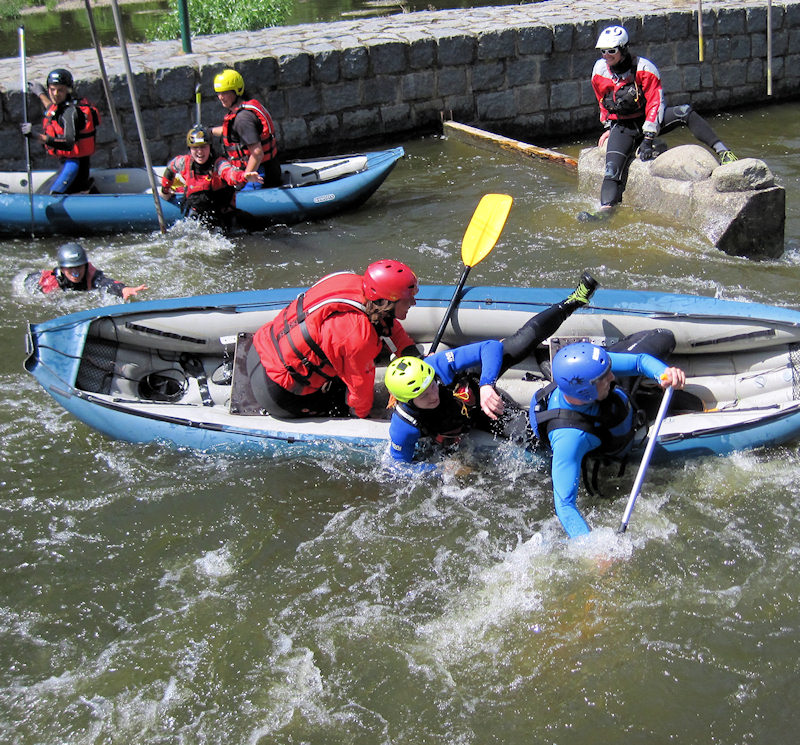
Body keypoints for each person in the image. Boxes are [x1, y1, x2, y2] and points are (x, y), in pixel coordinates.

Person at [384, 273, 599, 468]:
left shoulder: (435, 367)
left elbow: (491, 347)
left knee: (518, 344)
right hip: (472, 420)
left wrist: (488, 384)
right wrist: (438, 469)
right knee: (534, 439)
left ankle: (574, 300)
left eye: (431, 386)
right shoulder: (404, 425)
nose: (432, 394)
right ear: (409, 400)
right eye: (423, 395)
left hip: (477, 390)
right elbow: (399, 467)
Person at [530, 332, 686, 538]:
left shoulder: (592, 378)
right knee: (688, 403)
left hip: (614, 401)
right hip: (610, 429)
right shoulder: (569, 439)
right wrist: (590, 546)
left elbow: (639, 361)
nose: (611, 375)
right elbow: (565, 506)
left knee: (664, 338)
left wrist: (664, 374)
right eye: (605, 376)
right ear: (586, 392)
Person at [579, 25, 738, 222]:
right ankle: (605, 212)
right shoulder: (600, 69)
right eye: (603, 51)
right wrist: (608, 127)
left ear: (623, 49)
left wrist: (648, 138)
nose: (606, 55)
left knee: (685, 112)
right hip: (623, 126)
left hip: (648, 119)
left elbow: (656, 103)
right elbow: (603, 100)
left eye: (611, 51)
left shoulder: (645, 69)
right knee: (612, 171)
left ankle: (723, 151)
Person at [247, 260, 421, 419]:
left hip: (262, 346)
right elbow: (360, 396)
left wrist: (409, 352)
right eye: (408, 299)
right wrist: (363, 417)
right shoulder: (357, 336)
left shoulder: (356, 284)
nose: (413, 302)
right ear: (387, 302)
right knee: (343, 405)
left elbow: (387, 321)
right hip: (279, 392)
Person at [161, 125, 263, 230]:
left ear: (210, 147)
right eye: (195, 148)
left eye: (203, 147)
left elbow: (230, 173)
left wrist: (243, 176)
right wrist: (165, 191)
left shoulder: (218, 164)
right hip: (197, 213)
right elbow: (169, 169)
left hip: (221, 213)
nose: (200, 152)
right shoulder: (183, 162)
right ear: (190, 149)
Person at [20, 68, 101, 195]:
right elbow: (52, 111)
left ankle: (84, 193)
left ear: (68, 90)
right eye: (52, 89)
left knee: (44, 197)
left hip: (73, 168)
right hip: (69, 165)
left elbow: (68, 144)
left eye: (60, 90)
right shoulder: (62, 105)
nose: (55, 94)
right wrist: (40, 93)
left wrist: (35, 135)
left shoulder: (71, 113)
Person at [210, 69, 280, 190]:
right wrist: (209, 131)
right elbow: (231, 131)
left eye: (225, 92)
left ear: (237, 91)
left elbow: (257, 154)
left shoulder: (243, 119)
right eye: (218, 93)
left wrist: (242, 180)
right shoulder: (243, 109)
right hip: (268, 167)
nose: (220, 97)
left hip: (258, 175)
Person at [25, 242, 147, 300]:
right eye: (70, 268)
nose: (75, 272)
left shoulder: (92, 276)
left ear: (85, 266)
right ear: (62, 269)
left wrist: (123, 289)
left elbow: (107, 284)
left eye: (78, 267)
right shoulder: (51, 281)